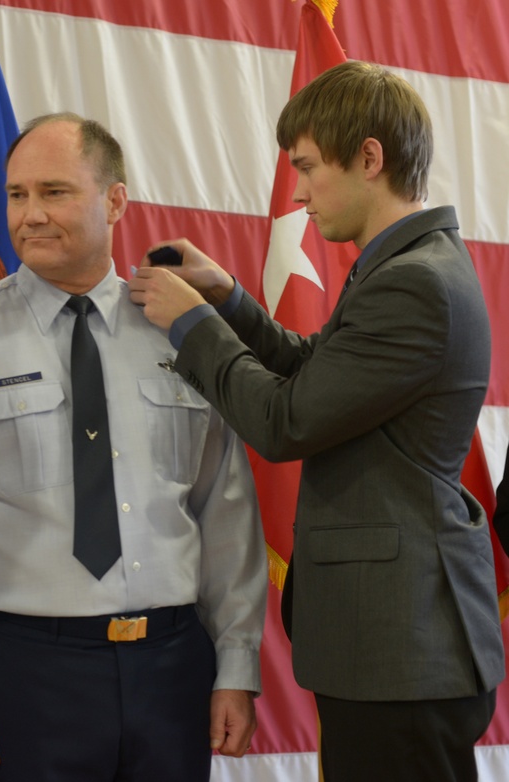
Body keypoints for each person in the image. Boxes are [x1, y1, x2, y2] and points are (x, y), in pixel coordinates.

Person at [129, 61, 504, 781]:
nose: (297, 192)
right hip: (392, 646)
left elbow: (284, 422)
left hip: (403, 651)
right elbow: (316, 368)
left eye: (306, 167)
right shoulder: (404, 267)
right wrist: (231, 298)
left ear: (370, 157)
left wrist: (193, 326)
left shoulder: (414, 282)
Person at [0, 113, 266, 780]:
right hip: (26, 676)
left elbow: (224, 510)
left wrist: (237, 662)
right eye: (16, 195)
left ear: (115, 200)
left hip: (172, 670)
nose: (29, 215)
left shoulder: (181, 331)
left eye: (54, 192)